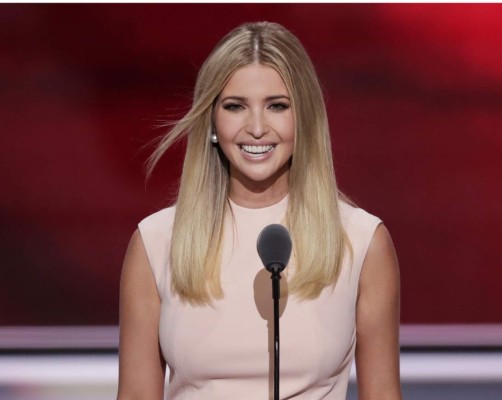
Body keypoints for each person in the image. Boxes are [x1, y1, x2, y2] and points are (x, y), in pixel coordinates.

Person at [117, 21, 402, 400]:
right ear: (212, 121)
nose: (256, 127)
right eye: (235, 107)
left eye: (277, 106)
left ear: (304, 118)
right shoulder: (156, 244)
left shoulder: (361, 242)